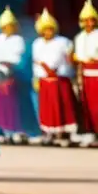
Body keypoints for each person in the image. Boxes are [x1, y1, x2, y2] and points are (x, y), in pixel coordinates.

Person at [0, 7, 40, 145]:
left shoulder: (18, 40)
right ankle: (3, 131)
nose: (8, 28)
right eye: (6, 26)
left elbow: (17, 58)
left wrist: (7, 65)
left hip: (13, 76)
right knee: (1, 104)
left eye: (10, 26)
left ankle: (17, 130)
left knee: (15, 105)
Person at [31, 9, 77, 147]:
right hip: (45, 80)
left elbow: (68, 59)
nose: (48, 32)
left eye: (50, 29)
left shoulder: (63, 42)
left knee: (62, 106)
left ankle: (63, 134)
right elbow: (36, 61)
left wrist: (56, 69)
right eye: (45, 30)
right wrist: (39, 76)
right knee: (47, 109)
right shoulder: (37, 43)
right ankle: (49, 133)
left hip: (59, 80)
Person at [74, 0, 98, 147]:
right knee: (86, 105)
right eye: (86, 20)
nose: (88, 23)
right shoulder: (79, 37)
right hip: (85, 75)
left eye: (91, 20)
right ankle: (89, 133)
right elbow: (78, 57)